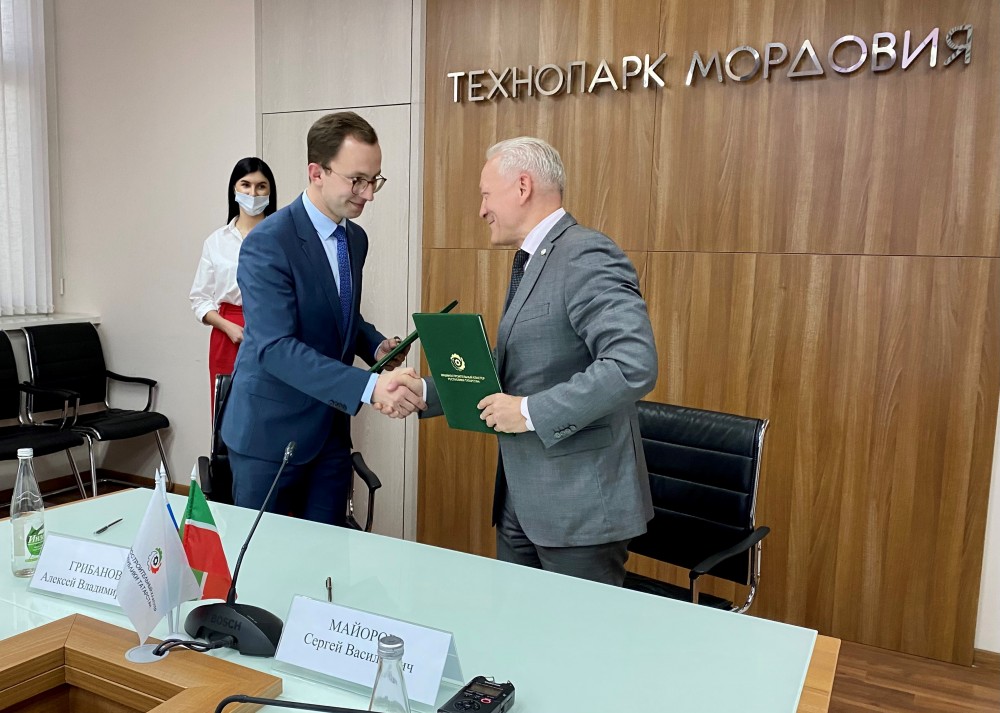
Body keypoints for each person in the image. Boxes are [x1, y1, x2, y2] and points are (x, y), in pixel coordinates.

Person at [407, 137, 658, 585]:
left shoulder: (584, 254)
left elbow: (631, 364)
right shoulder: (535, 259)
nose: (482, 210)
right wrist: (425, 390)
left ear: (522, 187)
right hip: (521, 501)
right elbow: (519, 363)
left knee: (575, 631)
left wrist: (527, 412)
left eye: (486, 194)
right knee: (516, 624)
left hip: (577, 509)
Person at [220, 112, 425, 525]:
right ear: (317, 173)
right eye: (358, 180)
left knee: (328, 555)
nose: (369, 194)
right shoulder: (268, 243)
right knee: (262, 557)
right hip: (270, 434)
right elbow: (275, 347)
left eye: (375, 180)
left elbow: (338, 312)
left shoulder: (355, 238)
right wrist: (369, 386)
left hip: (330, 433)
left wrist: (374, 346)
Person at [190, 157, 277, 411]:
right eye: (245, 185)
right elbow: (200, 298)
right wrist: (227, 326)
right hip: (227, 330)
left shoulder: (281, 237)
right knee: (227, 410)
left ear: (270, 191)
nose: (253, 193)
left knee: (268, 408)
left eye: (261, 186)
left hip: (272, 329)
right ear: (234, 189)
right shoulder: (216, 241)